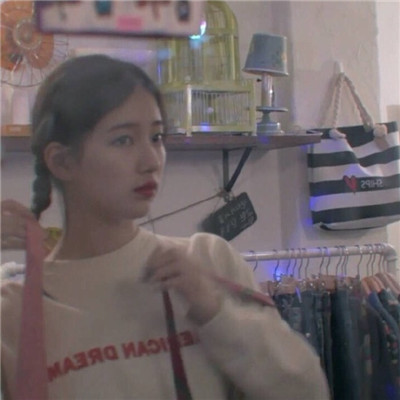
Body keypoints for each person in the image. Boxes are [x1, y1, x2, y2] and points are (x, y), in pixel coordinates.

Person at [1, 54, 330, 400]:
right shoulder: (16, 310)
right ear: (62, 161)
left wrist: (213, 310)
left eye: (157, 137)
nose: (151, 161)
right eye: (123, 140)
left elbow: (308, 390)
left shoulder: (207, 260)